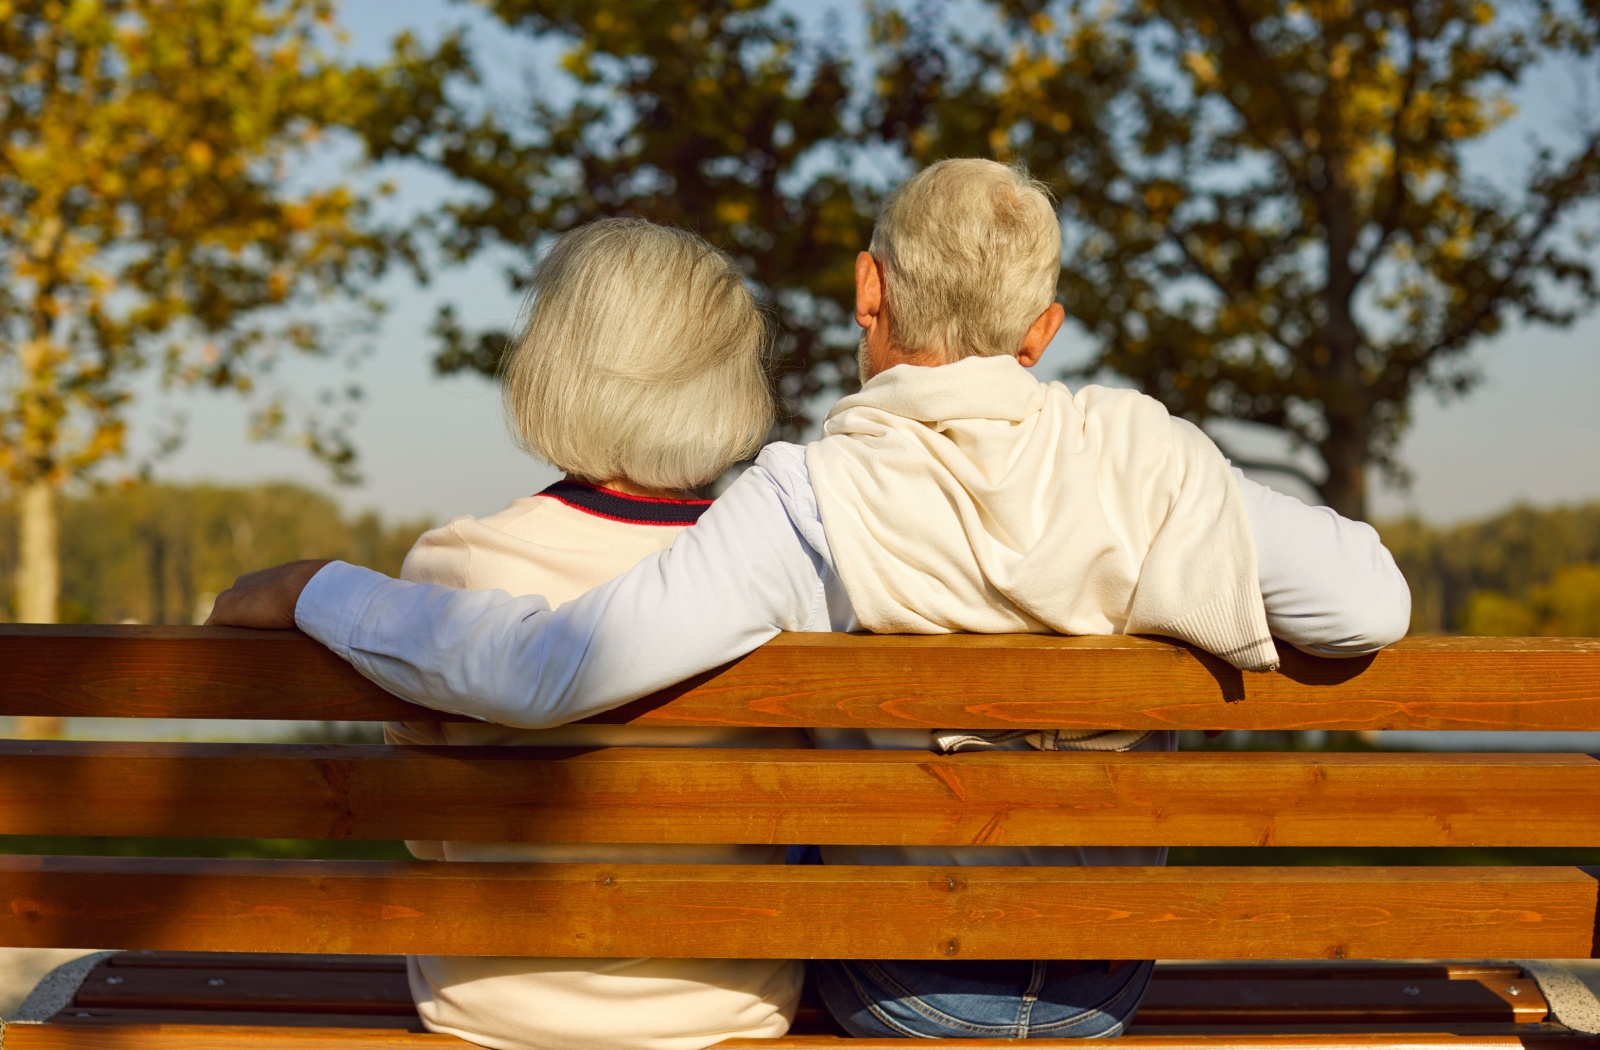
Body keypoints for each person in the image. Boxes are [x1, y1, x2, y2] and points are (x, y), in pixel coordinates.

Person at [212, 160, 1411, 1040]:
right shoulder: (1149, 459)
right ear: (1042, 330)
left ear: (866, 289)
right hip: (1102, 976)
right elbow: (1368, 606)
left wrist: (323, 588)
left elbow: (550, 670)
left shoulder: (810, 499)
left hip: (901, 985)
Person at [365, 218, 806, 1050]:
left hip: (491, 1008)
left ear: (553, 368)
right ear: (730, 382)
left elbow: (426, 833)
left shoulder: (457, 567)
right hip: (727, 1009)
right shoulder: (777, 579)